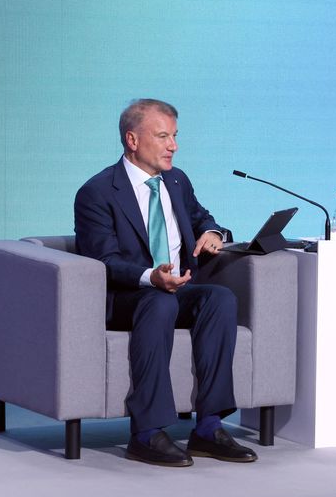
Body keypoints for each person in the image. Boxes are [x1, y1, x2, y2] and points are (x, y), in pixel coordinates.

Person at [74, 98, 257, 467]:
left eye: (174, 136)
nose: (173, 145)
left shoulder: (176, 180)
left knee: (219, 299)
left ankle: (208, 427)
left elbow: (202, 216)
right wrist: (149, 277)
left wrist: (212, 231)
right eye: (162, 136)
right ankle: (146, 433)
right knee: (159, 301)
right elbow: (103, 261)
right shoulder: (97, 192)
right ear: (132, 140)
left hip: (179, 288)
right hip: (129, 296)